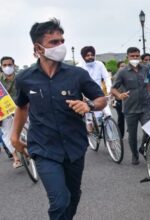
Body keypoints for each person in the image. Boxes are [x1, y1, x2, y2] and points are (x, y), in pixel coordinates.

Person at [10, 18, 106, 220]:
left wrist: (88, 105)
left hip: (74, 147)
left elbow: (101, 99)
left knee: (73, 196)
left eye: (62, 41)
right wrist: (14, 137)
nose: (60, 46)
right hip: (44, 149)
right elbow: (22, 107)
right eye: (54, 42)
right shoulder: (25, 78)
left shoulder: (77, 75)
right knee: (59, 201)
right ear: (38, 48)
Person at [111, 47, 150, 165]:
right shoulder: (122, 72)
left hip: (145, 106)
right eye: (132, 56)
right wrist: (119, 95)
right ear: (127, 57)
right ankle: (135, 155)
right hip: (130, 108)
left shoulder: (145, 69)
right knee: (133, 135)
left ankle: (143, 148)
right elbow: (113, 89)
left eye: (137, 56)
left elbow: (149, 83)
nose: (135, 58)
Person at [78, 46, 112, 118]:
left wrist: (109, 89)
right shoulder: (79, 67)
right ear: (83, 56)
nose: (90, 57)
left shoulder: (99, 64)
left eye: (92, 55)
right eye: (87, 55)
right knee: (89, 121)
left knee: (109, 115)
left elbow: (106, 77)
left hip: (100, 95)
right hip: (86, 97)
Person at [0, 56, 22, 168]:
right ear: (1, 67)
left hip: (20, 107)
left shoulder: (20, 78)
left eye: (9, 64)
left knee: (29, 127)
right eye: (4, 65)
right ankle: (16, 158)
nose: (7, 67)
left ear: (14, 65)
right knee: (7, 134)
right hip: (4, 111)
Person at [112, 61, 127, 138]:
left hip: (128, 100)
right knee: (121, 118)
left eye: (125, 66)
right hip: (119, 100)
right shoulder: (115, 77)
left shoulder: (128, 75)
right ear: (118, 67)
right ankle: (120, 135)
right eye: (121, 66)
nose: (123, 68)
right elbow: (113, 89)